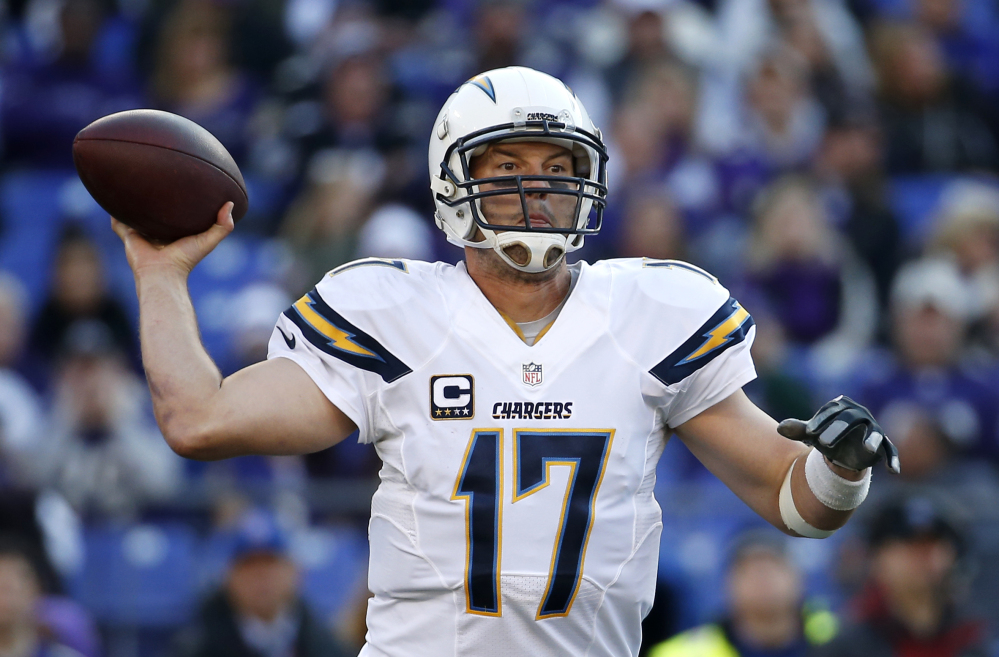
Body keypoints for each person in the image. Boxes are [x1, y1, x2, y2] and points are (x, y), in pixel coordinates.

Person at [111, 67, 898, 656]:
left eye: (558, 169)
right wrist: (160, 276)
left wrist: (840, 467)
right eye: (508, 166)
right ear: (455, 183)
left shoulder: (648, 314)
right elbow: (198, 418)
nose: (538, 189)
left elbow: (796, 503)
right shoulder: (394, 312)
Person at [813, 496, 989, 657]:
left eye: (933, 544)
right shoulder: (848, 644)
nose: (923, 555)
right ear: (877, 557)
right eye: (908, 544)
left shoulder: (977, 634)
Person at [173, 511, 350, 657]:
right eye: (249, 565)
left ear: (295, 572)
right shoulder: (196, 645)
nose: (261, 576)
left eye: (270, 563)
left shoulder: (323, 643)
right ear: (229, 578)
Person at [647, 533, 837, 657]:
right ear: (727, 585)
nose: (763, 579)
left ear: (799, 579)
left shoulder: (842, 639)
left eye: (773, 568)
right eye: (749, 571)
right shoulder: (681, 653)